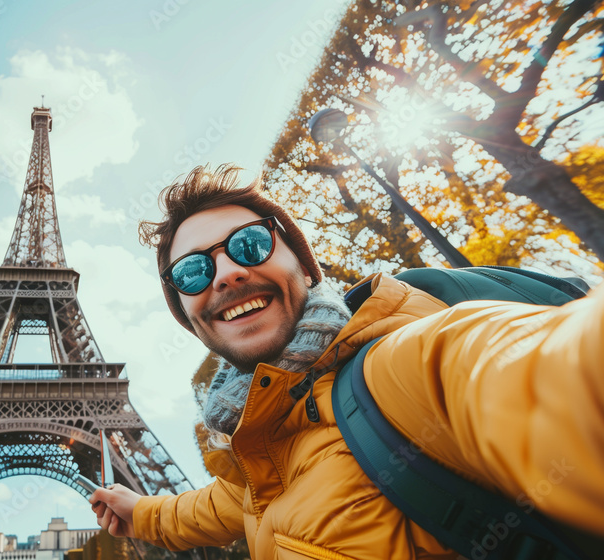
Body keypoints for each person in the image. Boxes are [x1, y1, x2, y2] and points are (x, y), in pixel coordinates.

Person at [89, 164, 604, 559]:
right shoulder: (263, 455)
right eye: (194, 271)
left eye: (249, 245)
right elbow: (205, 507)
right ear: (188, 312)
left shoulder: (398, 370)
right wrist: (139, 512)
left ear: (305, 268)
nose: (224, 274)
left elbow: (538, 368)